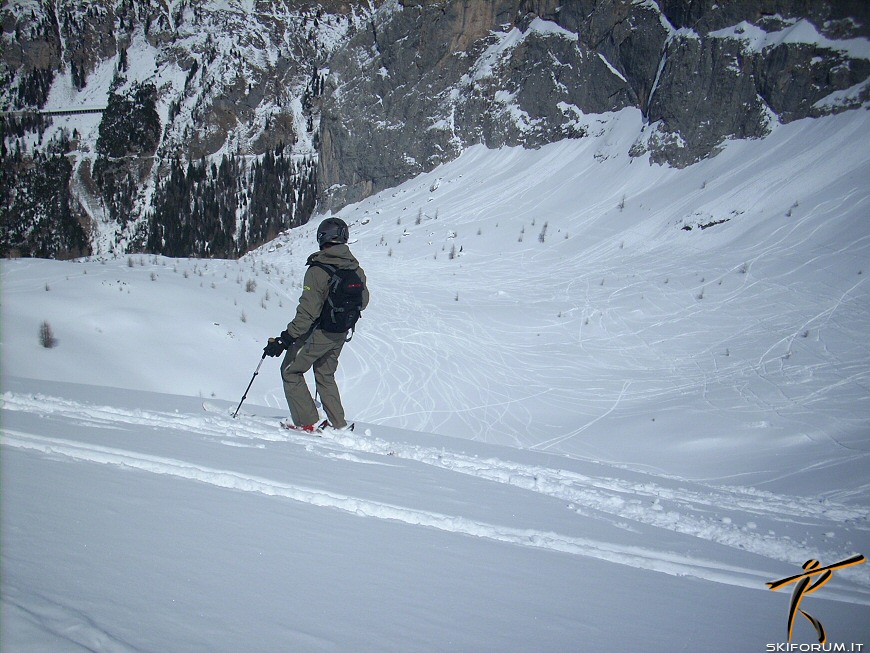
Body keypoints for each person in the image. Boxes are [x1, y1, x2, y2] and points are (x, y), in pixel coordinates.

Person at [264, 217, 369, 432]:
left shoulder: (318, 270)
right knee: (325, 374)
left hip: (319, 333)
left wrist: (285, 339)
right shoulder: (355, 268)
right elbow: (364, 301)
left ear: (322, 238)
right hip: (340, 333)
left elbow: (307, 313)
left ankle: (307, 423)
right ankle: (338, 425)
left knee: (291, 371)